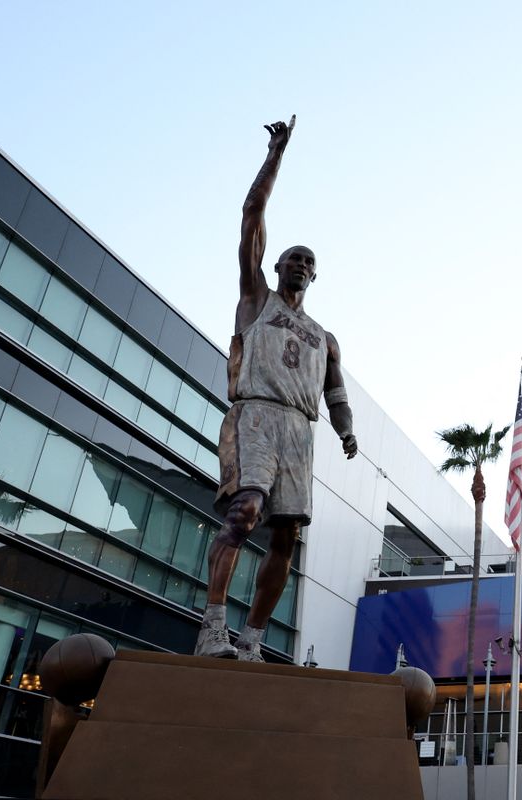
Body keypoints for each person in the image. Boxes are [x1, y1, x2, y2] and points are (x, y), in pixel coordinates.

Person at [194, 116, 358, 662]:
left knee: (287, 536)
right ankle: (212, 627)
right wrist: (276, 156)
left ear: (316, 276)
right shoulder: (256, 298)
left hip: (300, 428)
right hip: (257, 414)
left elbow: (336, 392)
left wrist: (348, 431)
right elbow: (251, 216)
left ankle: (252, 640)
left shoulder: (325, 336)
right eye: (294, 257)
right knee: (244, 511)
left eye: (310, 262)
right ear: (278, 265)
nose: (302, 265)